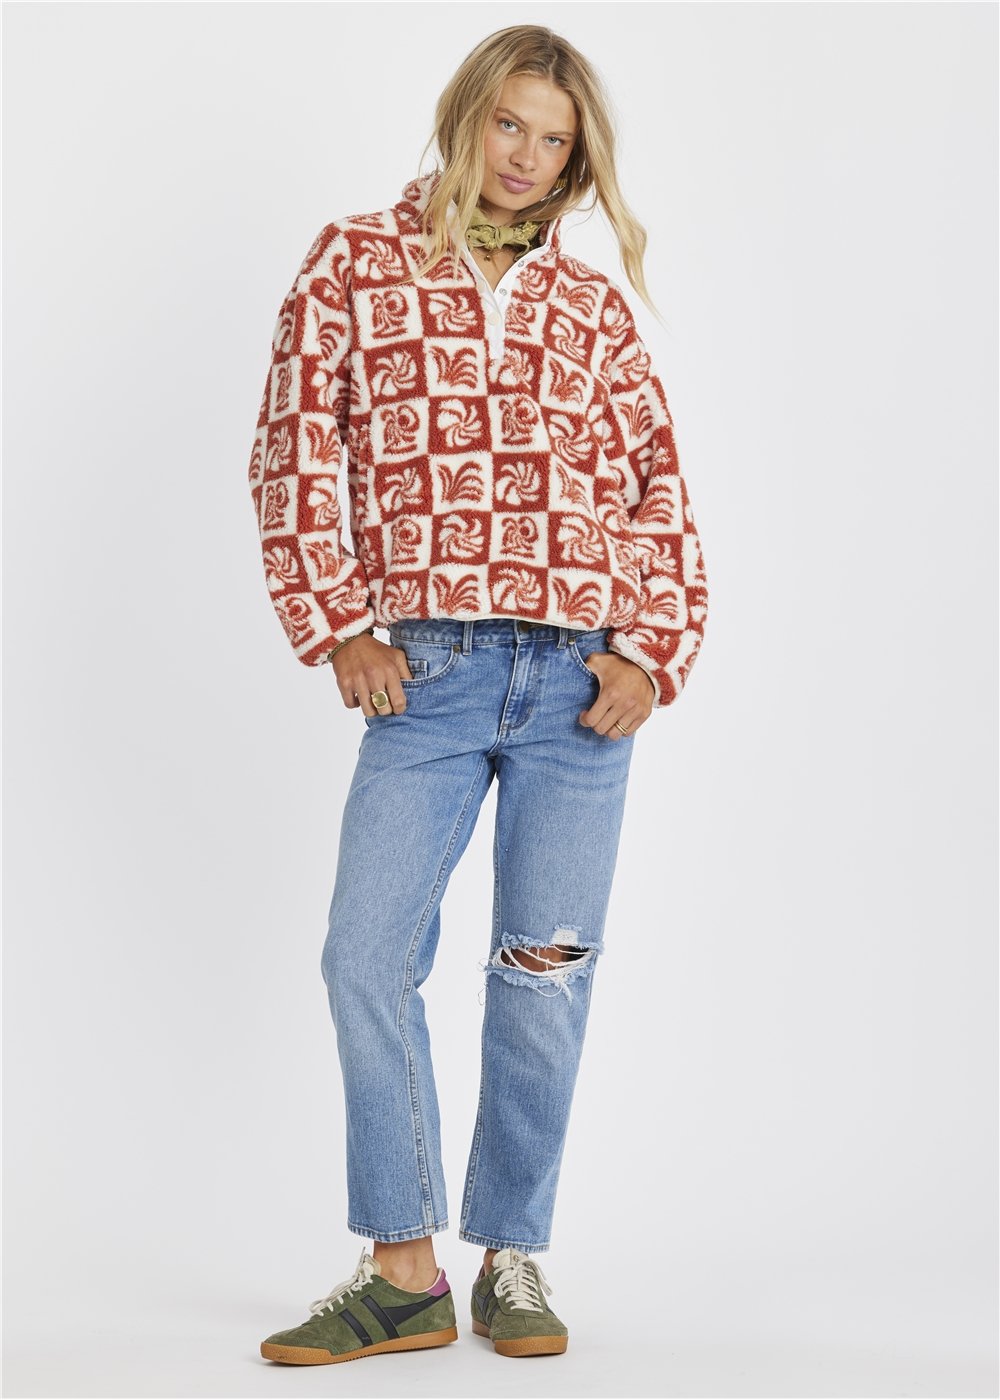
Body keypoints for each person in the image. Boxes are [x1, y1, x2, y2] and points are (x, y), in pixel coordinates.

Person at [248, 23, 709, 1367]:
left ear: (577, 159)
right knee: (365, 955)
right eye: (511, 124)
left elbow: (657, 486)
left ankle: (512, 1257)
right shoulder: (353, 262)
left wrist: (650, 651)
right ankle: (403, 1270)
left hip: (579, 683)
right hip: (430, 675)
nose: (527, 157)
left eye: (555, 141)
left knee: (542, 973)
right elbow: (292, 448)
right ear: (466, 117)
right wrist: (339, 622)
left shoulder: (590, 306)